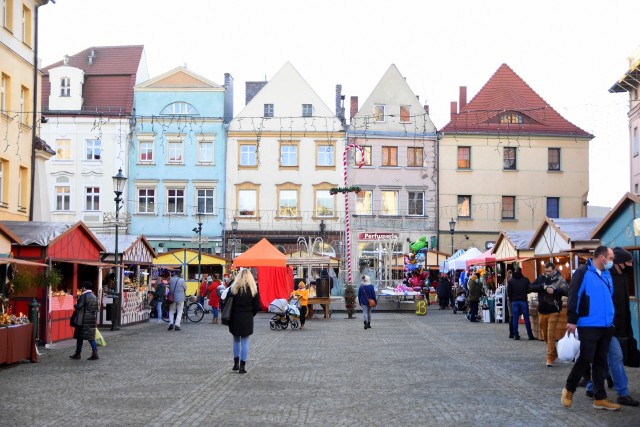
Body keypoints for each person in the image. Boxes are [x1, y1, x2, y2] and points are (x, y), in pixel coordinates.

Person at [561, 246, 620, 411]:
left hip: (606, 325)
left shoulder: (607, 275)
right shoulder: (583, 272)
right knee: (585, 358)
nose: (612, 261)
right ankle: (569, 388)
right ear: (602, 257)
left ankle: (600, 398)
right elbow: (574, 295)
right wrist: (572, 320)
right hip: (589, 324)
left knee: (601, 362)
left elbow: (610, 298)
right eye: (611, 258)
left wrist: (612, 319)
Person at [584, 247, 639, 407]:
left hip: (617, 327)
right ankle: (622, 393)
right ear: (620, 263)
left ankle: (592, 386)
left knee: (606, 360)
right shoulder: (606, 278)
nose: (631, 264)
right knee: (616, 357)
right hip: (607, 327)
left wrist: (626, 329)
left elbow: (624, 307)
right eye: (628, 261)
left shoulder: (622, 277)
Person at [530, 261, 568, 365]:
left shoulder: (560, 279)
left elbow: (566, 291)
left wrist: (554, 290)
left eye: (549, 271)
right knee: (545, 335)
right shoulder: (541, 278)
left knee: (550, 335)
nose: (547, 273)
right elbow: (530, 287)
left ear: (554, 270)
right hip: (542, 311)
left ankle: (550, 357)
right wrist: (542, 287)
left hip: (554, 310)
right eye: (546, 271)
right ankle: (553, 353)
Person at [227, 269, 260, 374]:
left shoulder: (234, 288)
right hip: (247, 317)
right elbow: (257, 306)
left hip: (235, 317)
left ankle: (235, 363)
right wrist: (251, 314)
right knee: (245, 342)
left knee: (236, 340)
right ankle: (242, 366)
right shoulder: (253, 289)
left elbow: (227, 303)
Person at [69, 282, 100, 361]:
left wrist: (75, 304)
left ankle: (78, 354)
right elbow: (96, 308)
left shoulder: (83, 296)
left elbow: (79, 307)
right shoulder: (94, 296)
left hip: (82, 320)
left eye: (83, 287)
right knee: (91, 337)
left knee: (80, 337)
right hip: (92, 319)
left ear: (84, 288)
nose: (82, 289)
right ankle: (95, 353)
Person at [507, 267, 533, 339]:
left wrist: (512, 299)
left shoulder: (511, 281)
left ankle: (515, 335)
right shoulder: (525, 280)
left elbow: (509, 292)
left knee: (515, 318)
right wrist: (525, 293)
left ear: (514, 271)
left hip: (514, 301)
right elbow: (530, 289)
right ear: (521, 272)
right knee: (526, 318)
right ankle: (530, 335)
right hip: (523, 300)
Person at [504, 270, 514, 338]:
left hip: (509, 299)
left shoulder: (507, 280)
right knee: (512, 316)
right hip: (511, 299)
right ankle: (512, 332)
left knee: (511, 315)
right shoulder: (510, 281)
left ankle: (511, 332)